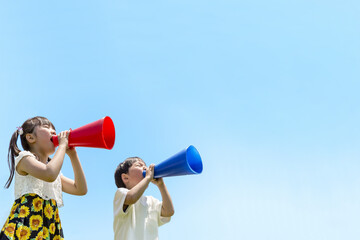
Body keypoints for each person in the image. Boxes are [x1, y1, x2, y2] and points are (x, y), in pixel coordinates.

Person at [0, 116, 87, 240]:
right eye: (47, 127)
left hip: (48, 227)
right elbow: (49, 174)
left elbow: (80, 189)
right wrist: (62, 146)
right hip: (26, 225)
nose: (53, 131)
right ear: (30, 137)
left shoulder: (54, 172)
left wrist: (73, 155)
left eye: (54, 129)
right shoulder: (24, 158)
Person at [113, 157, 174, 240]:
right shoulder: (121, 193)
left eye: (145, 165)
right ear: (125, 178)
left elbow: (169, 211)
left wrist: (161, 185)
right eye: (139, 165)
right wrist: (148, 178)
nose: (145, 168)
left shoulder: (151, 201)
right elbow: (132, 197)